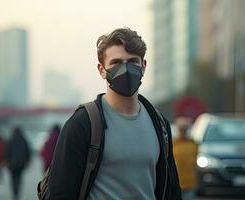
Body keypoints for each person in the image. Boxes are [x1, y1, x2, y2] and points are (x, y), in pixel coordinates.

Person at [46, 28, 181, 200]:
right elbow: (60, 193)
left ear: (143, 66)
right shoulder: (83, 124)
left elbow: (172, 190)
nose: (125, 69)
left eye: (133, 62)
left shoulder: (159, 125)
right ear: (101, 70)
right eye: (116, 63)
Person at [173, 117, 199, 200]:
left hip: (189, 184)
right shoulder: (173, 144)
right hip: (176, 184)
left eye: (185, 129)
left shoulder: (193, 145)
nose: (183, 131)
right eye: (181, 129)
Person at [7, 126, 31, 200]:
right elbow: (28, 151)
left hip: (12, 164)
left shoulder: (11, 139)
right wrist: (27, 160)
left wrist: (7, 161)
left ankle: (15, 192)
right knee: (19, 178)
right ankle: (17, 191)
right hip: (21, 164)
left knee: (13, 179)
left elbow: (7, 151)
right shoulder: (23, 139)